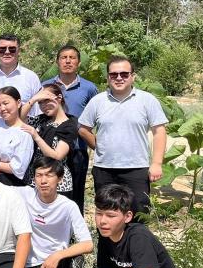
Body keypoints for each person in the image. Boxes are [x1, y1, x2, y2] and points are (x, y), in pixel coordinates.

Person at [78, 56, 168, 216]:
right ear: (107, 78)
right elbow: (83, 129)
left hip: (136, 169)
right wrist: (100, 146)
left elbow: (159, 131)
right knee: (106, 217)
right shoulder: (98, 101)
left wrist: (156, 163)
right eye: (114, 74)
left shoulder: (147, 100)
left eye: (124, 74)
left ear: (133, 76)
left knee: (138, 216)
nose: (119, 78)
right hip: (104, 170)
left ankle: (136, 242)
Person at [14, 157, 93, 268]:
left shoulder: (68, 206)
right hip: (33, 264)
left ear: (60, 178)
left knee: (77, 260)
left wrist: (57, 255)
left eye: (49, 175)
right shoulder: (26, 194)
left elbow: (88, 244)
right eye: (39, 175)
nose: (43, 180)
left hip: (58, 262)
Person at [43, 45, 98, 213]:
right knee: (50, 191)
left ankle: (76, 233)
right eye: (63, 57)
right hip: (51, 148)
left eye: (72, 58)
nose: (68, 61)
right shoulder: (46, 85)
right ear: (57, 62)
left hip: (77, 148)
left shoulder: (89, 88)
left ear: (79, 62)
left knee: (77, 192)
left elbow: (97, 116)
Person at [19, 83, 78, 200]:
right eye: (40, 103)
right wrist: (33, 99)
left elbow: (57, 156)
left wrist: (36, 136)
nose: (44, 106)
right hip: (34, 179)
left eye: (46, 100)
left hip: (58, 183)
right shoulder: (41, 120)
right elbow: (19, 118)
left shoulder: (69, 125)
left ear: (59, 98)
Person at [0, 34, 43, 126]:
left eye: (12, 49)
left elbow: (37, 112)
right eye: (2, 49)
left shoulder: (31, 78)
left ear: (19, 51)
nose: (7, 52)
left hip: (21, 135)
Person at [0, 86, 34, 186]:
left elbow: (17, 168)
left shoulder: (24, 133)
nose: (2, 108)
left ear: (18, 103)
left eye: (6, 103)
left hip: (9, 184)